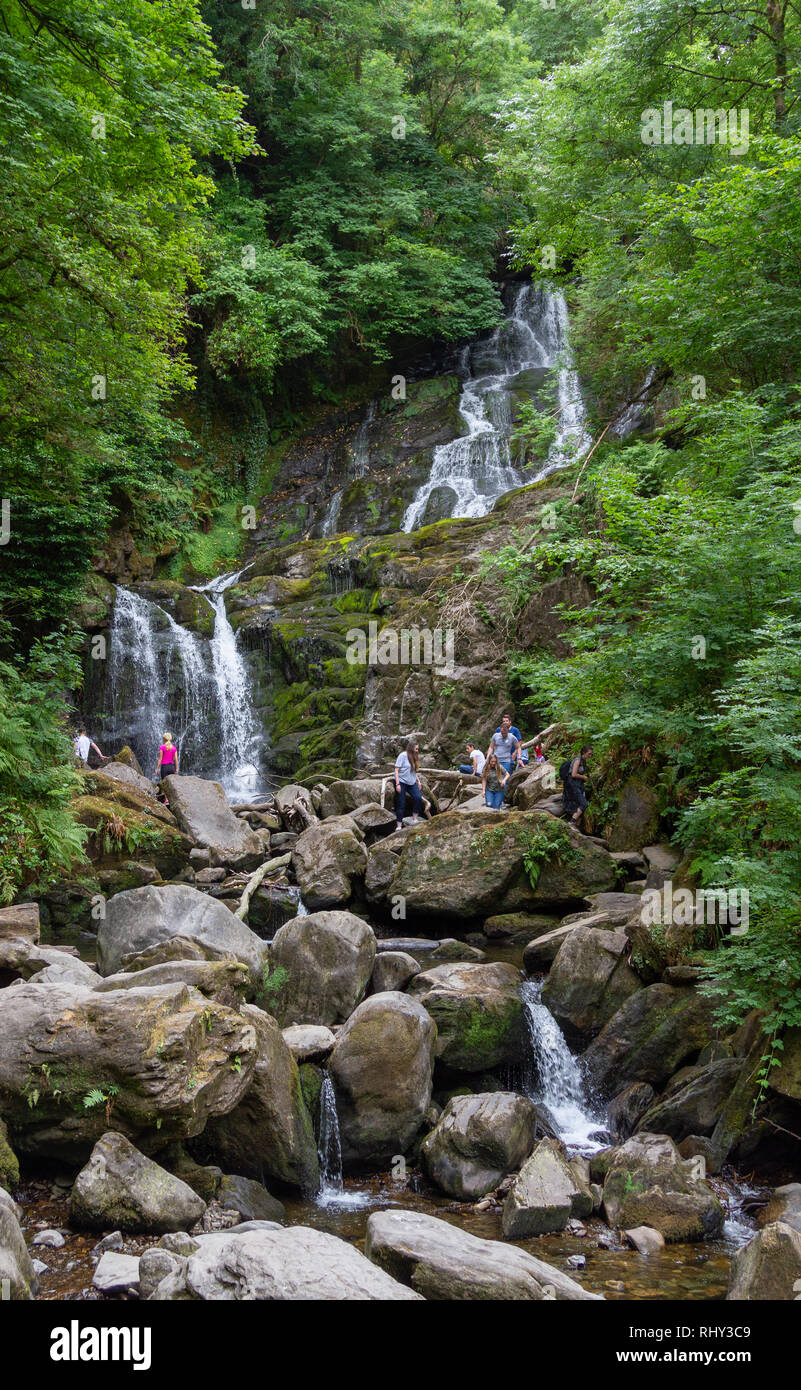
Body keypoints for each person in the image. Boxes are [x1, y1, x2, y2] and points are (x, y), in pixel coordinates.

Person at [395, 738, 425, 828]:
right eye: (416, 748)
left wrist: (418, 781)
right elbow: (396, 770)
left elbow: (413, 771)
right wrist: (397, 784)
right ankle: (399, 826)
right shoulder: (402, 756)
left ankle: (414, 819)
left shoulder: (414, 756)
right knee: (401, 803)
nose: (417, 750)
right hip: (402, 781)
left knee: (418, 798)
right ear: (411, 748)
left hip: (412, 782)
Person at [561, 744, 592, 824]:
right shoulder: (577, 760)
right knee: (584, 804)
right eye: (589, 754)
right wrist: (584, 777)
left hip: (578, 785)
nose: (590, 756)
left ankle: (576, 824)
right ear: (584, 753)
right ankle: (571, 822)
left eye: (591, 754)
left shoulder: (583, 761)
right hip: (572, 785)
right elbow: (573, 774)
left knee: (578, 804)